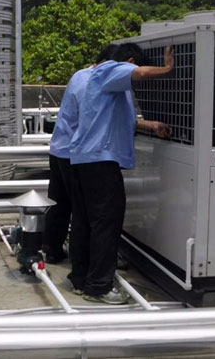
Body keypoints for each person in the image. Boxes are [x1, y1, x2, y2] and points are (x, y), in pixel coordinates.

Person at [68, 43, 173, 304]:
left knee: (85, 221)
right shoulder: (110, 70)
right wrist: (167, 68)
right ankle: (99, 286)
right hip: (100, 161)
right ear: (129, 62)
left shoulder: (102, 80)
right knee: (107, 222)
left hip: (85, 159)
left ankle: (81, 279)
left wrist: (151, 125)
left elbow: (119, 118)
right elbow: (142, 73)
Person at [43, 45, 118, 264]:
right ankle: (81, 260)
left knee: (59, 203)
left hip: (59, 148)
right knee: (81, 209)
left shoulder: (80, 75)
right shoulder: (94, 82)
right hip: (74, 154)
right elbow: (91, 118)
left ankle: (52, 249)